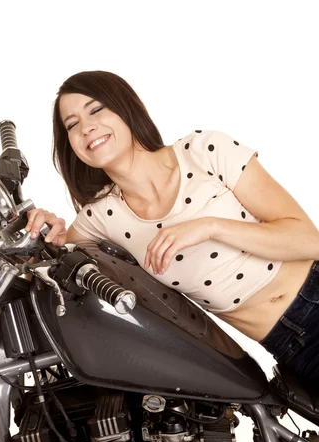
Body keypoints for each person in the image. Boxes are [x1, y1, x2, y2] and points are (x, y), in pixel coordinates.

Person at [26, 70, 319, 388]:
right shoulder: (99, 217)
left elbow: (309, 240)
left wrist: (210, 227)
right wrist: (48, 235)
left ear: (128, 106)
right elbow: (50, 269)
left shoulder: (205, 151)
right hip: (287, 346)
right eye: (72, 124)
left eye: (96, 109)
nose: (86, 127)